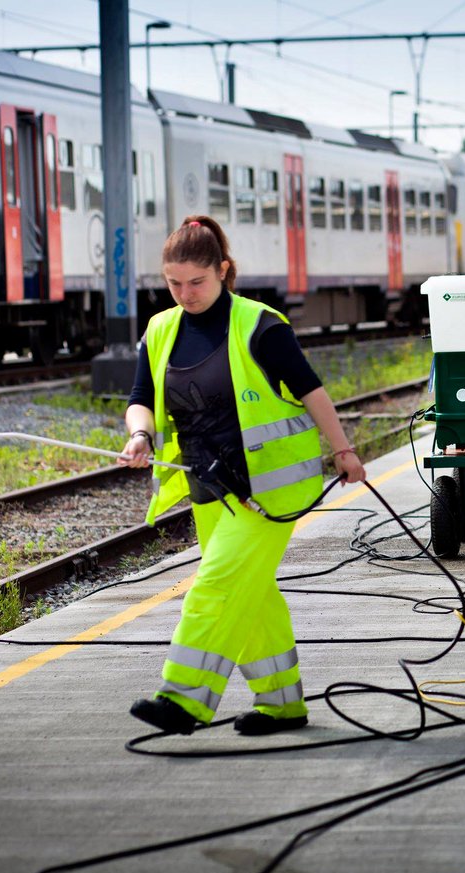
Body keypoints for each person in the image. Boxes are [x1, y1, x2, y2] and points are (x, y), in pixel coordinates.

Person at [120, 215, 366, 736]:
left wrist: (343, 450)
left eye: (196, 282)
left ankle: (183, 699)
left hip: (268, 490)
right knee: (252, 594)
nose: (185, 294)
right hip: (208, 488)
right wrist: (140, 435)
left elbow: (311, 390)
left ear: (223, 270)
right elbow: (141, 398)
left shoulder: (260, 324)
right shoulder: (160, 330)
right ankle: (282, 704)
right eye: (173, 283)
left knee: (215, 586)